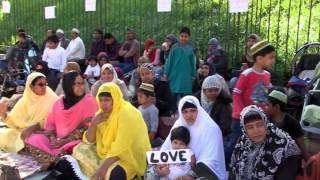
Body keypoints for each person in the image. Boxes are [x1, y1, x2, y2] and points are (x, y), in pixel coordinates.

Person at [55, 83, 151, 180]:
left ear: (115, 99)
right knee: (79, 150)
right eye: (100, 100)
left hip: (130, 156)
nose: (103, 104)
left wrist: (103, 167)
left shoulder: (127, 113)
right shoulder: (101, 114)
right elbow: (89, 141)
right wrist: (93, 124)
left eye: (107, 100)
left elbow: (121, 146)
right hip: (108, 153)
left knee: (112, 174)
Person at [24, 71, 98, 164]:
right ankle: (55, 160)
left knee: (79, 148)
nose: (80, 86)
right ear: (68, 85)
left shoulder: (89, 101)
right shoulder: (58, 102)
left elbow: (89, 128)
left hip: (75, 141)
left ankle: (52, 161)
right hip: (57, 141)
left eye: (82, 83)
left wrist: (65, 141)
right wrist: (52, 138)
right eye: (76, 84)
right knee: (34, 139)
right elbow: (50, 125)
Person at [225, 40, 276, 165]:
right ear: (259, 58)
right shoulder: (247, 74)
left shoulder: (267, 75)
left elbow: (264, 94)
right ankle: (224, 166)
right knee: (235, 142)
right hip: (241, 118)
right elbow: (237, 93)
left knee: (256, 142)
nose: (273, 60)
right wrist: (242, 112)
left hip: (258, 116)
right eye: (271, 57)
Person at [158, 96, 226, 180]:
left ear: (199, 110)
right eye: (185, 112)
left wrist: (190, 176)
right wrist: (161, 167)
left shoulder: (211, 129)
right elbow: (166, 148)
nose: (189, 115)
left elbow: (212, 161)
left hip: (202, 173)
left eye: (192, 111)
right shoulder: (179, 124)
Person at [229, 105, 301, 180]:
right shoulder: (243, 142)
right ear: (244, 130)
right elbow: (233, 171)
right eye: (250, 127)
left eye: (259, 125)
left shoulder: (284, 148)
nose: (256, 131)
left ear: (266, 123)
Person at [0, 72, 58, 153]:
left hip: (44, 133)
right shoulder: (24, 101)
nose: (44, 87)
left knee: (36, 139)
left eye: (45, 84)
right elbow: (14, 123)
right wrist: (4, 115)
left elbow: (53, 120)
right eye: (41, 85)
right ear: (31, 86)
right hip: (23, 132)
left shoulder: (52, 99)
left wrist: (35, 127)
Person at [265, 89, 309, 160]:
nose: (265, 108)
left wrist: (310, 162)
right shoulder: (266, 120)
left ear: (277, 107)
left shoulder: (292, 123)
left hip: (287, 159)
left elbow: (302, 146)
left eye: (267, 105)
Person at [164, 27, 196, 102]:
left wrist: (193, 75)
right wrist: (166, 73)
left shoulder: (191, 49)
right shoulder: (174, 47)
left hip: (186, 76)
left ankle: (183, 111)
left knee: (185, 98)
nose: (183, 38)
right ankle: (174, 111)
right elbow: (169, 61)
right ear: (179, 36)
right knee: (173, 95)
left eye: (186, 36)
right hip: (174, 75)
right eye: (182, 36)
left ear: (189, 37)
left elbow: (192, 63)